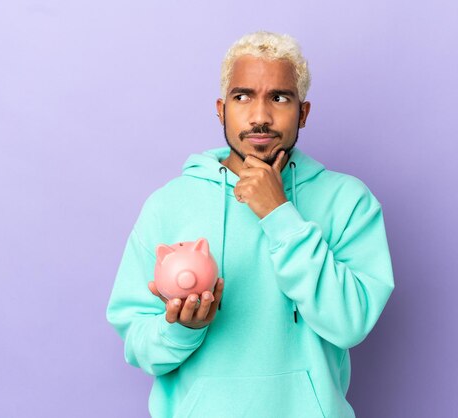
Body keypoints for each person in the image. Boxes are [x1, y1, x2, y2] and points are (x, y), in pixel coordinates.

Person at [106, 31, 395, 418]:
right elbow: (138, 343)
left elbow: (350, 323)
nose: (260, 117)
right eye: (243, 97)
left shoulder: (349, 202)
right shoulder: (167, 205)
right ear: (221, 109)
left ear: (303, 113)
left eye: (279, 97)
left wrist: (279, 214)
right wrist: (181, 330)